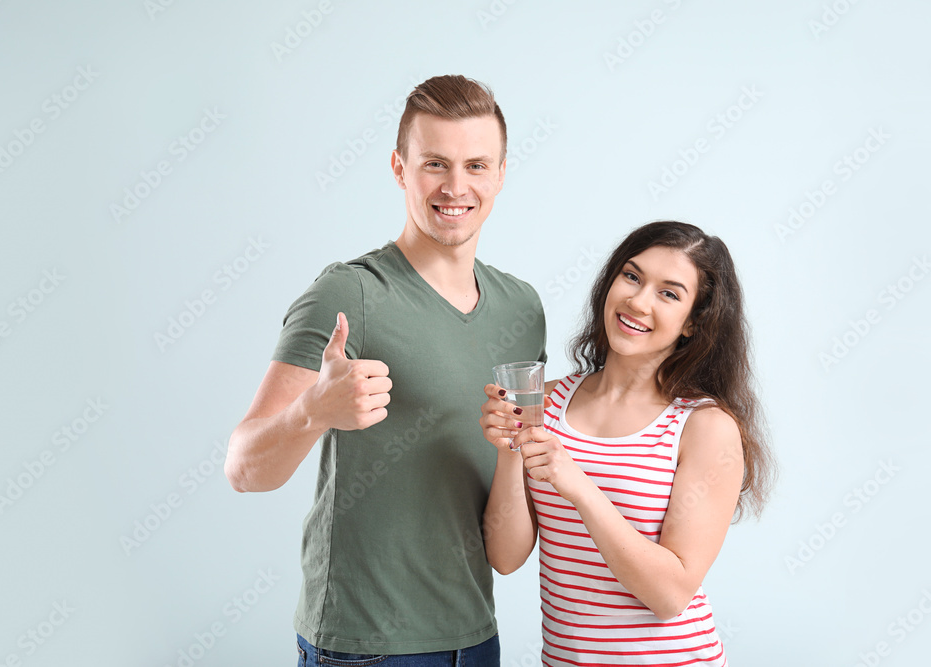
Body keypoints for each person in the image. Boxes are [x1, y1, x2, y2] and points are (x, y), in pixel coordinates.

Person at [225, 75, 547, 666]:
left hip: (476, 640)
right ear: (400, 168)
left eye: (477, 165)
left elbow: (509, 525)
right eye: (435, 164)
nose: (456, 187)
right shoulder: (349, 292)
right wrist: (312, 411)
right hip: (365, 647)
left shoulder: (522, 309)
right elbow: (244, 468)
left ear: (501, 173)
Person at [479, 221, 774, 666]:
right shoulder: (549, 401)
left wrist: (578, 486)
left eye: (669, 293)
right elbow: (504, 558)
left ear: (693, 322)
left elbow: (671, 595)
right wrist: (508, 450)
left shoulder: (705, 427)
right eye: (632, 276)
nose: (637, 301)